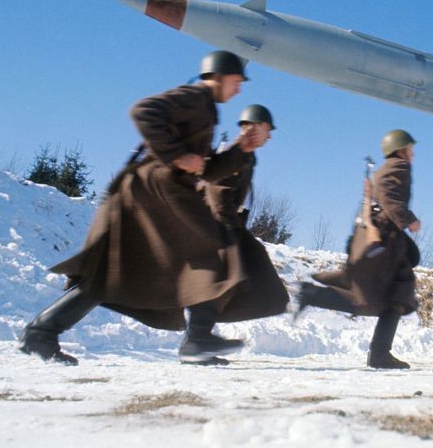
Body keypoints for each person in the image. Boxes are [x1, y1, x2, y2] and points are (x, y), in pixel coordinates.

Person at [19, 50, 268, 366]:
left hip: (159, 192)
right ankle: (197, 339)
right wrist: (177, 154)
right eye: (236, 82)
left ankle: (40, 332)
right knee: (209, 249)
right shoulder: (193, 97)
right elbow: (143, 110)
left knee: (116, 273)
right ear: (217, 77)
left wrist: (241, 149)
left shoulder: (205, 109)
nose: (238, 90)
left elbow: (204, 171)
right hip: (152, 191)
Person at [297, 129, 421, 369]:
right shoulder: (398, 167)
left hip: (382, 237)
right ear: (401, 149)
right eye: (410, 149)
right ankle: (313, 294)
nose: (413, 154)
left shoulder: (387, 168)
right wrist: (409, 219)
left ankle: (379, 353)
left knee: (391, 296)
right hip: (387, 240)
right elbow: (388, 197)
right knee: (385, 297)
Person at [202, 104, 289, 328]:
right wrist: (231, 233)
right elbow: (216, 191)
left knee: (272, 294)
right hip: (218, 229)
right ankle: (198, 333)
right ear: (253, 126)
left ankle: (200, 330)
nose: (269, 136)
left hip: (232, 228)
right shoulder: (233, 155)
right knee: (228, 279)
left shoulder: (248, 158)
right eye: (266, 129)